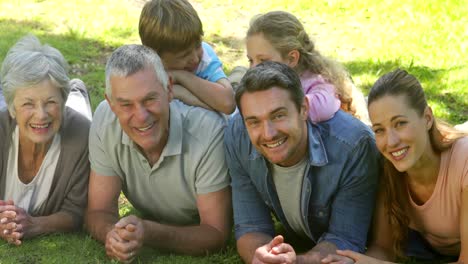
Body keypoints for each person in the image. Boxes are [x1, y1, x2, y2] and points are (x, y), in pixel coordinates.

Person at [85, 44, 232, 262]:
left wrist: (149, 232)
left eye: (149, 99)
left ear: (169, 89)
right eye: (126, 104)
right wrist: (111, 234)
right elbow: (98, 211)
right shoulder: (105, 119)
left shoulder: (208, 131)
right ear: (111, 103)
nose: (141, 116)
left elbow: (216, 233)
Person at [224, 61, 381, 264]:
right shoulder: (237, 134)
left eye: (278, 115)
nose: (268, 133)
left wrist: (297, 262)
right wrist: (262, 257)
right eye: (254, 121)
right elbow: (250, 227)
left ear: (304, 108)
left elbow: (345, 239)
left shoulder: (353, 146)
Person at [322, 69, 468, 264]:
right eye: (379, 130)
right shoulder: (387, 168)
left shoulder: (464, 164)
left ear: (427, 118)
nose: (390, 142)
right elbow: (383, 248)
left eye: (400, 123)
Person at [0, 35, 91, 245]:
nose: (41, 114)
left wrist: (35, 225)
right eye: (28, 104)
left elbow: (76, 211)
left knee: (79, 113)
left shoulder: (84, 137)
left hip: (73, 118)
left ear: (62, 100)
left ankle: (76, 91)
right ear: (13, 109)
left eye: (51, 102)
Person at [244, 10, 370, 124]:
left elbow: (323, 108)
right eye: (250, 60)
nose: (254, 68)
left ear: (291, 58)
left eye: (263, 60)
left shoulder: (314, 80)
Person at [138, 0, 235, 114]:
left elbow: (227, 104)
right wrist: (180, 92)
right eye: (183, 56)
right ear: (157, 56)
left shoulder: (205, 56)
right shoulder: (144, 66)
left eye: (198, 45)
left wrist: (181, 76)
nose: (195, 58)